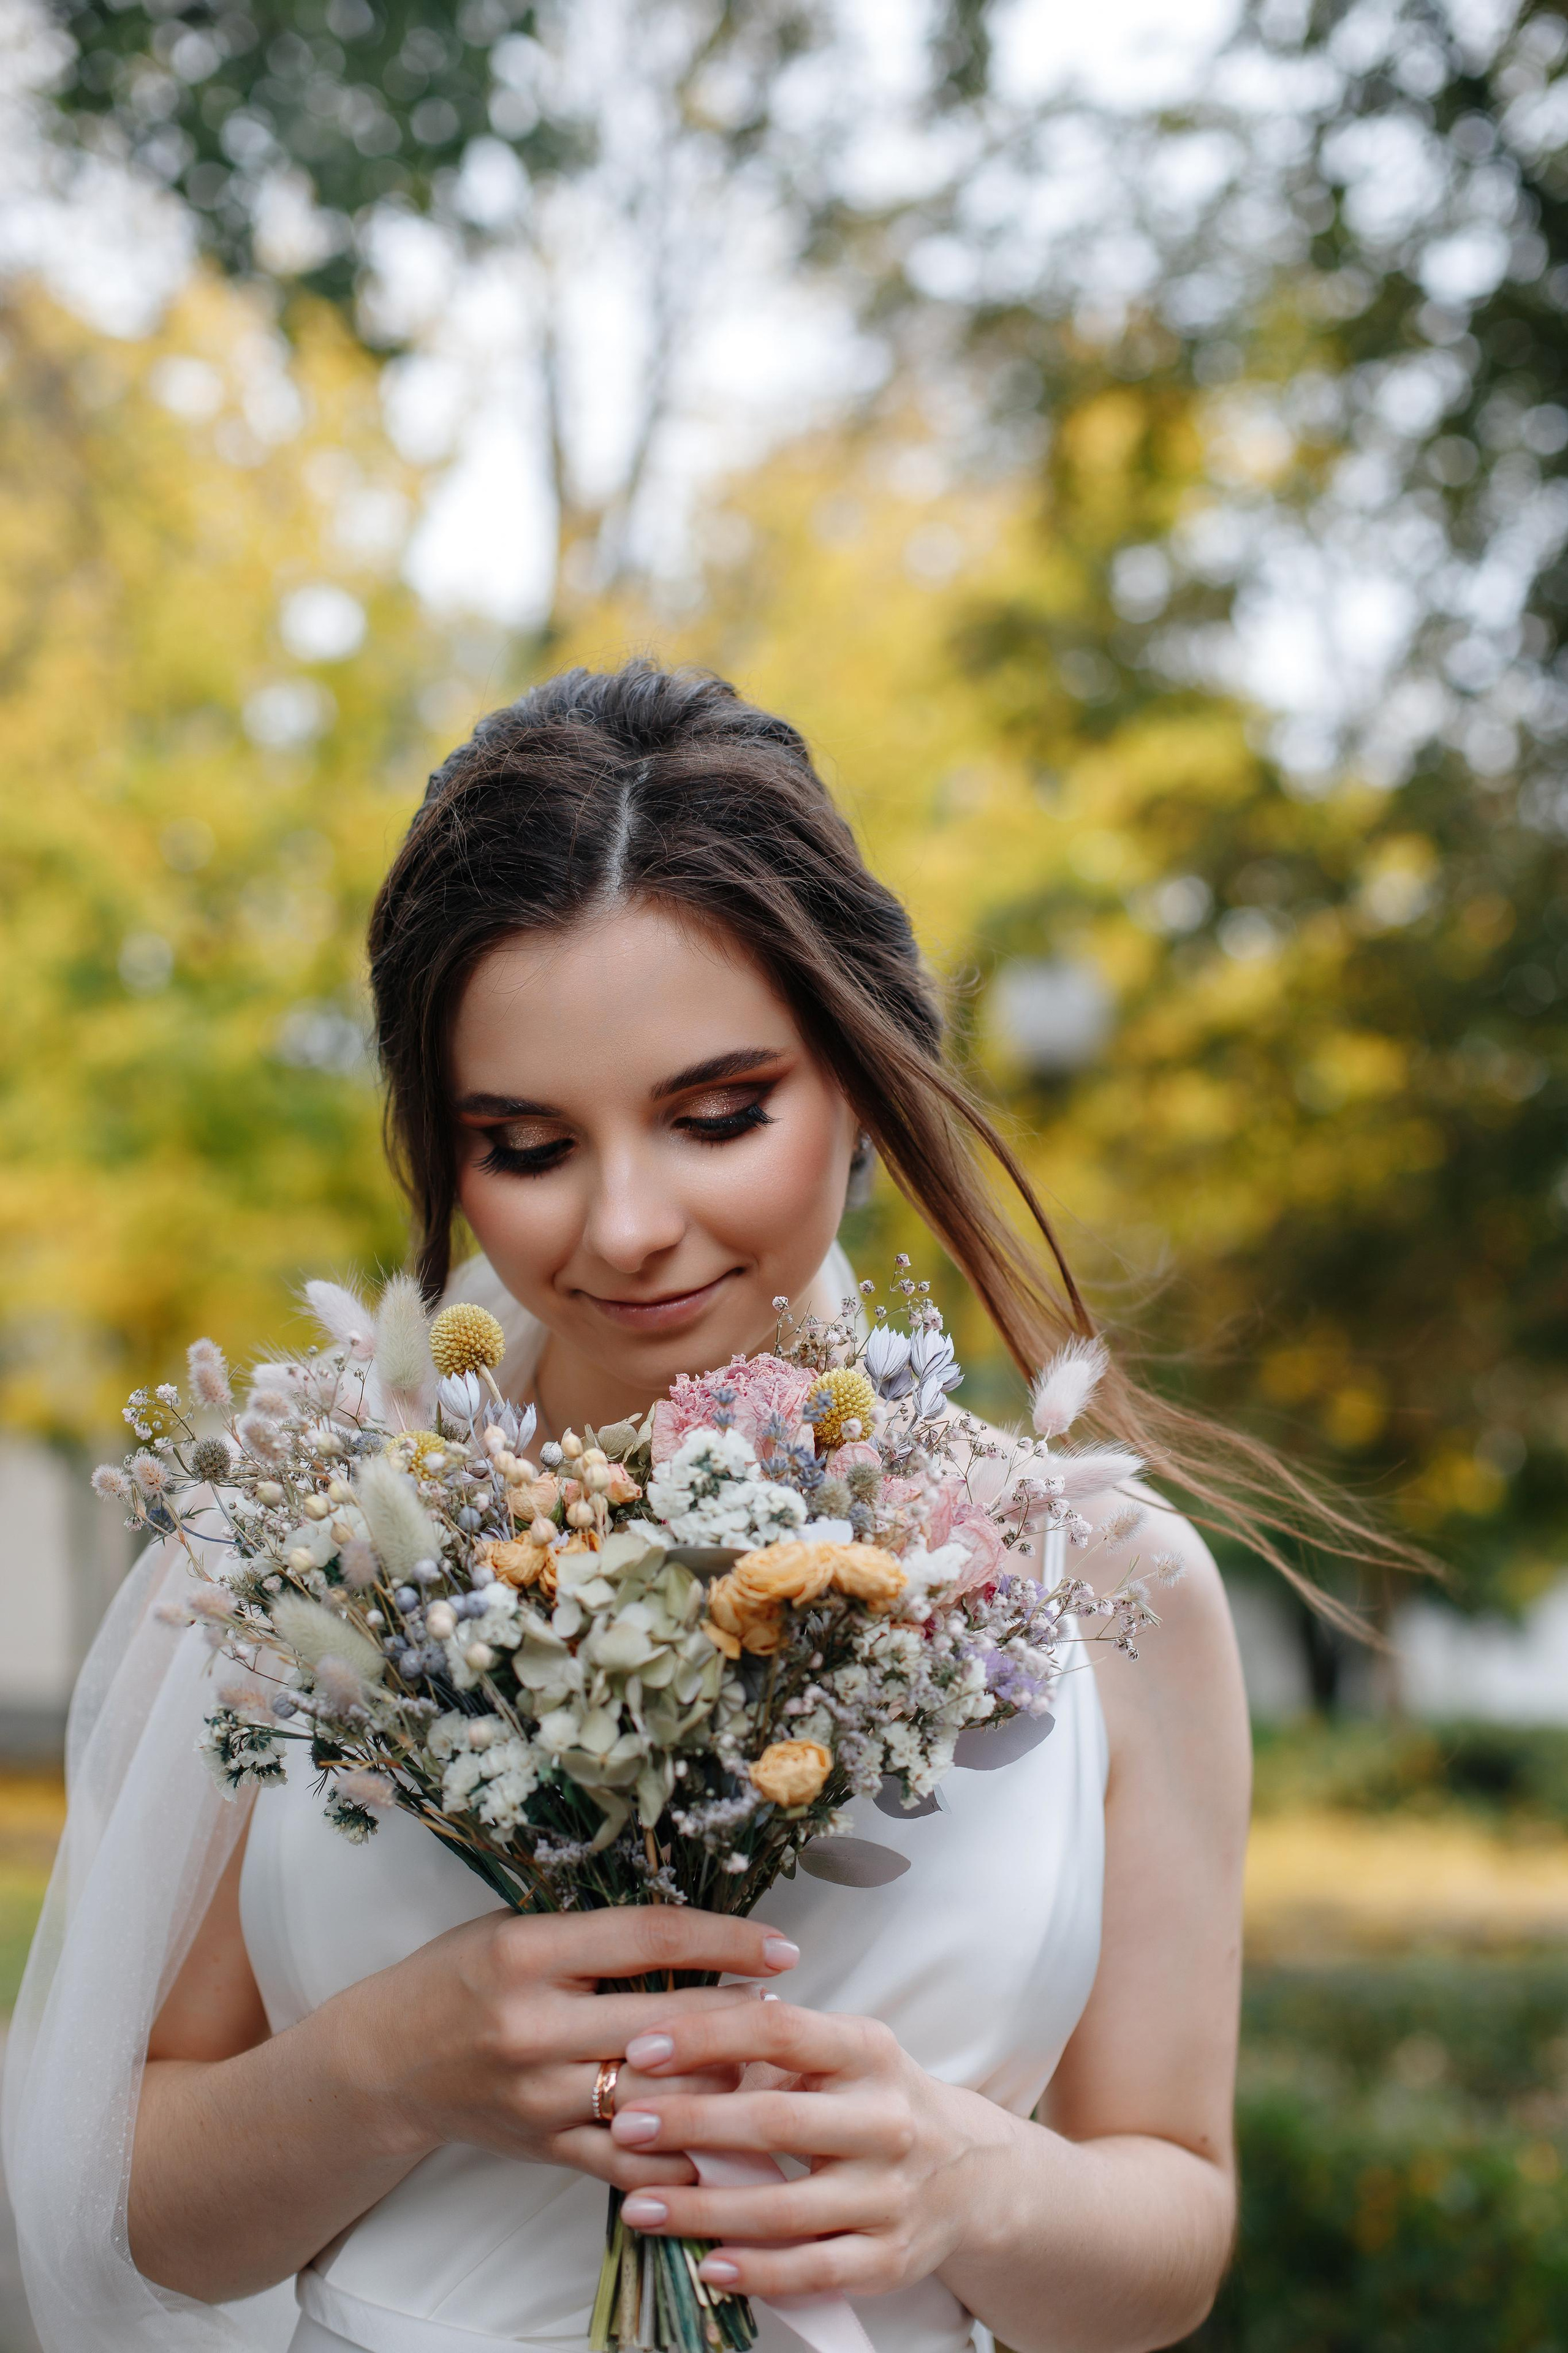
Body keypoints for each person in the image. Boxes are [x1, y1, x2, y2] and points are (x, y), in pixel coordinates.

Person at [3, 662, 1407, 2353]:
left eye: (718, 1115)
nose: (628, 1226)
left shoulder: (1103, 1573)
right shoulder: (304, 1554)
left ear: (865, 1078)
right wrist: (388, 2065)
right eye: (525, 1145)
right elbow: (120, 2203)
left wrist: (970, 2185)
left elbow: (1170, 2210)